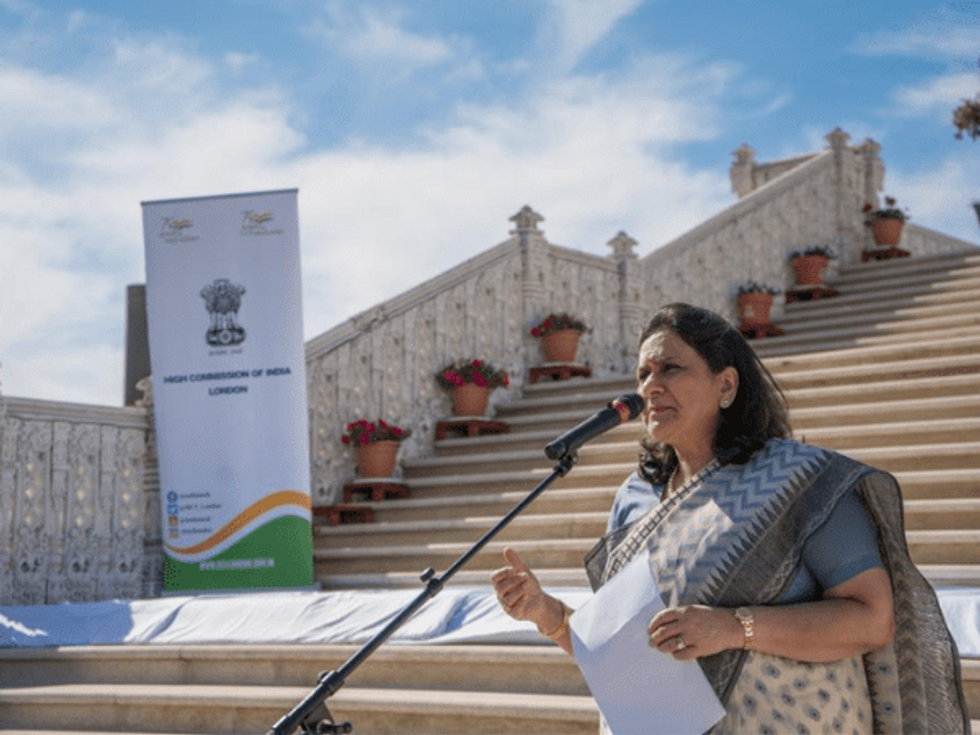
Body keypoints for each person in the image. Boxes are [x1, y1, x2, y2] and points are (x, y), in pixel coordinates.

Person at [492, 302, 968, 734]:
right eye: (643, 374)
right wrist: (548, 616)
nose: (649, 387)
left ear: (726, 385)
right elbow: (626, 655)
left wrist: (732, 628)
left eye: (670, 368)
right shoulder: (635, 500)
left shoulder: (799, 482)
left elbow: (871, 621)